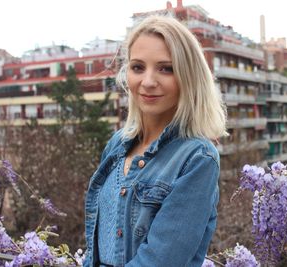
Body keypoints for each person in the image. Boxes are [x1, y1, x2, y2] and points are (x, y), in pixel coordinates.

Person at [83, 15, 228, 267]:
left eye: (166, 68)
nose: (148, 82)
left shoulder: (197, 158)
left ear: (188, 77)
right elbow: (94, 249)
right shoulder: (117, 144)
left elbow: (160, 261)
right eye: (138, 67)